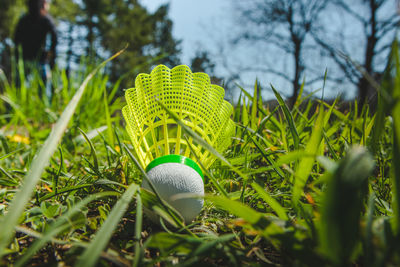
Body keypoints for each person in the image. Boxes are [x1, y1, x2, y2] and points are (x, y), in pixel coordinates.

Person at [14, 0, 57, 101]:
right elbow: (55, 37)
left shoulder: (24, 19)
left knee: (19, 87)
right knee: (44, 90)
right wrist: (51, 52)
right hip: (40, 60)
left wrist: (17, 55)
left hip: (25, 58)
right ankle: (44, 110)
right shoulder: (46, 19)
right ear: (43, 4)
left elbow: (16, 40)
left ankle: (14, 108)